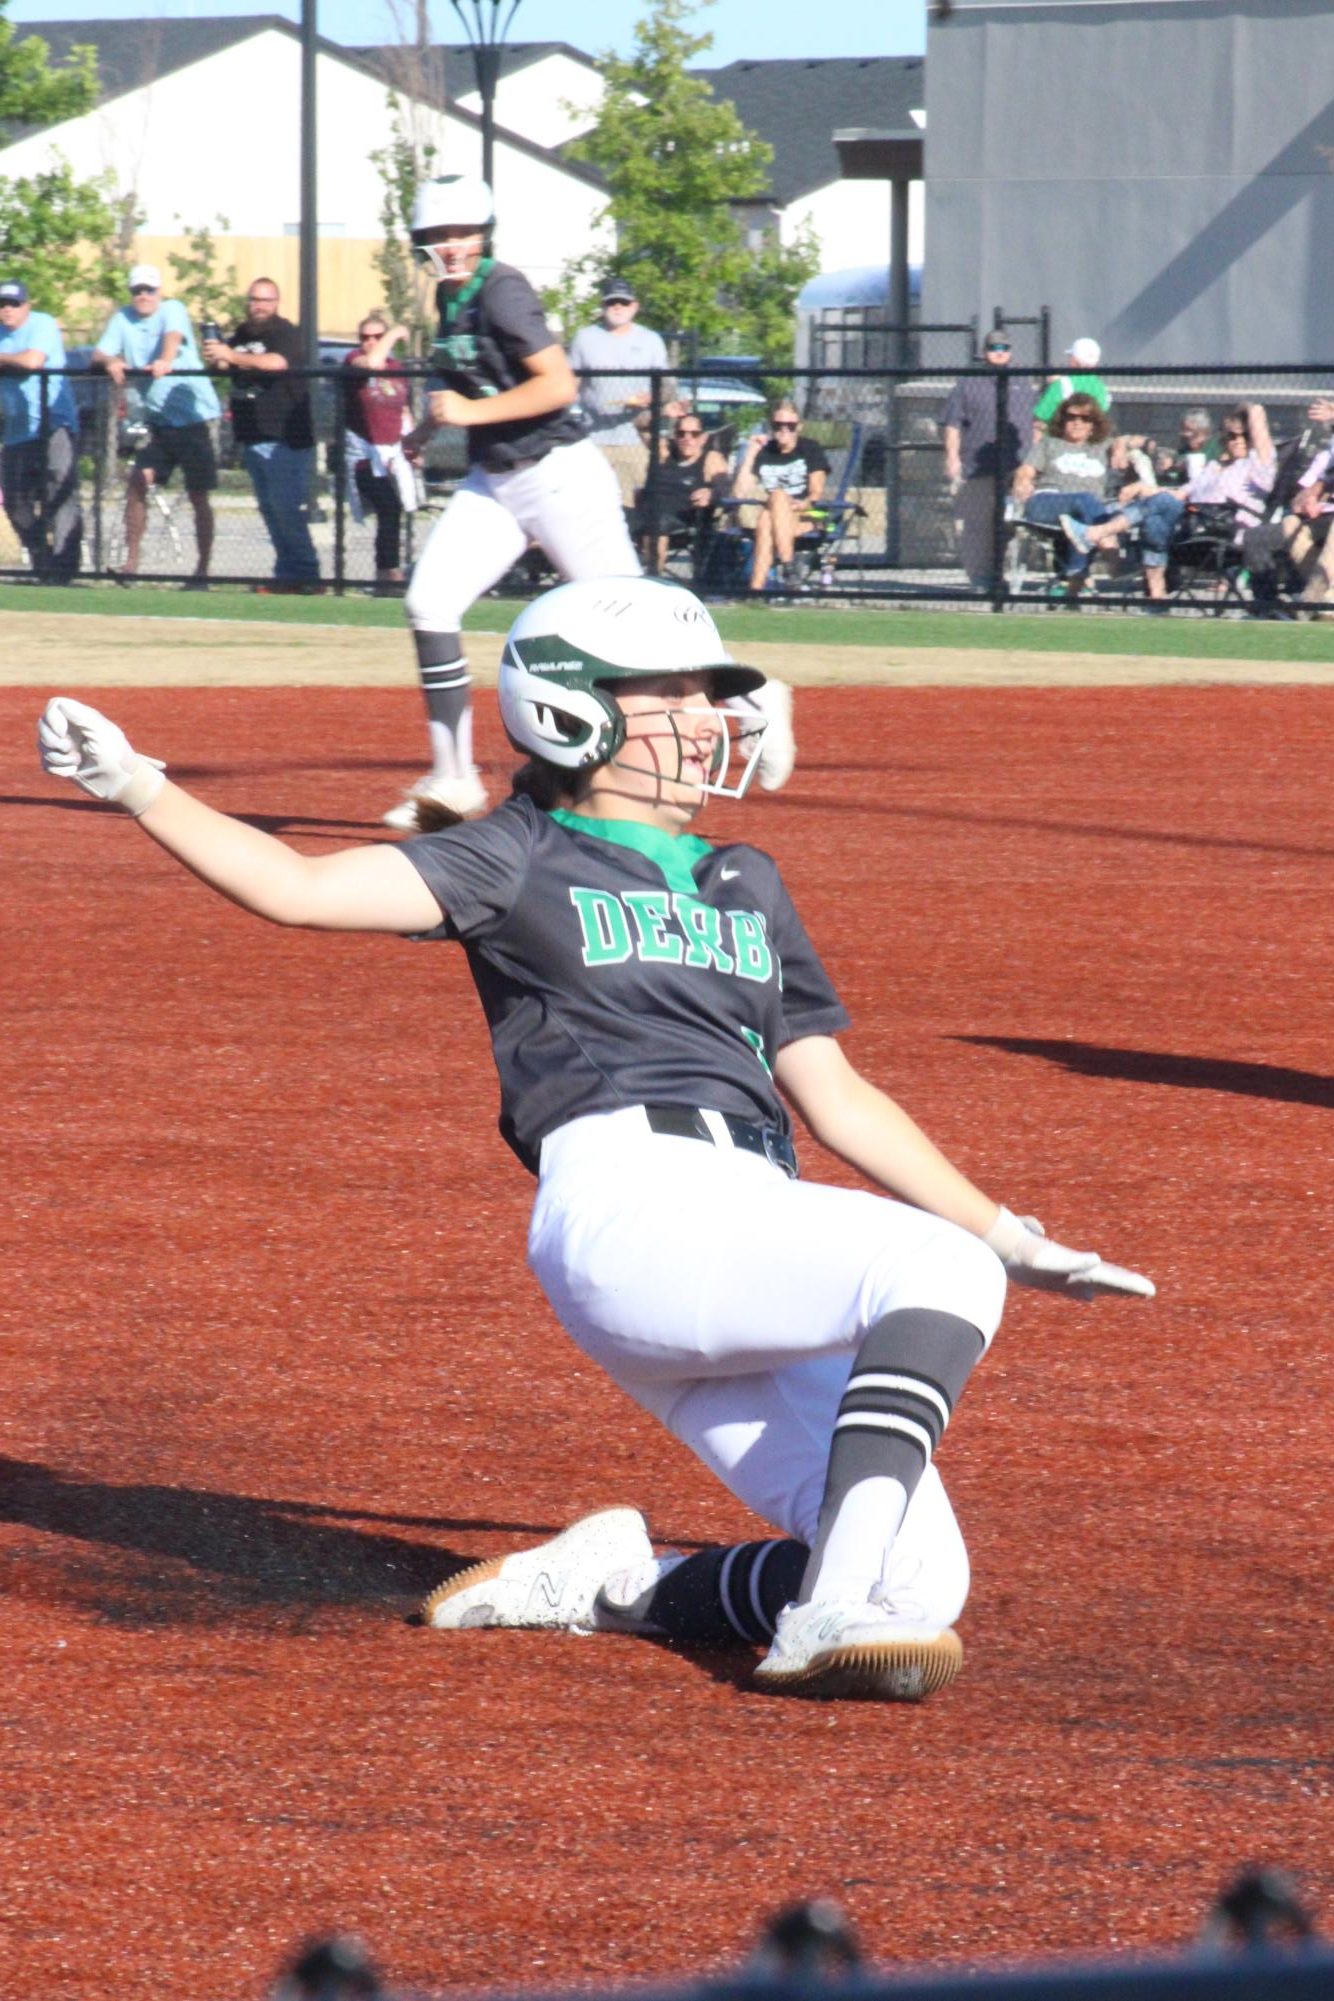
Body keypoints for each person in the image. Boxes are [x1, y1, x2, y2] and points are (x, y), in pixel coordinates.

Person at [36, 574, 1153, 1704]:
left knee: (925, 1589)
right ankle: (822, 1612)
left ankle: (618, 1584)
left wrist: (1009, 1237)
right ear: (571, 710)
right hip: (634, 1215)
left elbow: (837, 1095)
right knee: (927, 1270)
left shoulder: (742, 881)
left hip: (750, 1225)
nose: (708, 715)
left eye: (707, 690)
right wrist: (138, 786)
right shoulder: (518, 851)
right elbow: (297, 886)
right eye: (667, 692)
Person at [389, 172, 643, 831]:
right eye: (439, 234)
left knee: (635, 626)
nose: (452, 245)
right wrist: (424, 431)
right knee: (428, 602)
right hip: (497, 482)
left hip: (559, 474)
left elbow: (558, 386)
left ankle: (755, 703)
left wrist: (469, 411)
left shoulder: (502, 289)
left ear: (485, 233)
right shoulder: (449, 299)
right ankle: (453, 777)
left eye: (464, 231)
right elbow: (466, 391)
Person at [91, 262, 222, 588]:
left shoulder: (173, 309)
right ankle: (131, 566)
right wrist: (111, 361)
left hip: (195, 419)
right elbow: (98, 353)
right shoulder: (123, 318)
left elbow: (173, 337)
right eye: (138, 290)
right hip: (160, 423)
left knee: (198, 494)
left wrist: (165, 359)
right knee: (138, 480)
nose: (143, 296)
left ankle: (202, 572)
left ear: (159, 292)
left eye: (149, 290)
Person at [1067, 402, 1276, 602]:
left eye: (1245, 435)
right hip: (1192, 527)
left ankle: (1096, 533)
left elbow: (1257, 411)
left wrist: (1243, 411)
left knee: (1160, 510)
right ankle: (1157, 597)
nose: (1238, 440)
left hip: (1226, 531)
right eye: (1231, 436)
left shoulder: (1258, 466)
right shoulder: (1214, 467)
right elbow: (1181, 493)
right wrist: (1142, 488)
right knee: (1155, 519)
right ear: (1222, 438)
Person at [202, 279, 321, 594]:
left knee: (285, 507)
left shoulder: (285, 332)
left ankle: (307, 574)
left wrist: (233, 356)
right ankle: (287, 574)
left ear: (277, 302)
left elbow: (277, 363)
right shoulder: (241, 335)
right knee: (270, 509)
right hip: (253, 435)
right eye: (254, 299)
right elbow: (230, 364)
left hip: (285, 436)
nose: (260, 305)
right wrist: (218, 358)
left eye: (266, 300)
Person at [940, 331, 1039, 591]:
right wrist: (952, 458)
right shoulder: (968, 384)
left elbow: (1037, 424)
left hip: (1016, 467)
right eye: (994, 347)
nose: (999, 351)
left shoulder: (1022, 382)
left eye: (1004, 347)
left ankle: (999, 576)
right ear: (985, 351)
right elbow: (952, 425)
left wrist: (1034, 462)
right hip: (978, 467)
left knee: (1009, 526)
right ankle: (981, 580)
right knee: (977, 526)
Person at [0, 277, 83, 580]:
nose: (7, 310)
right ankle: (42, 561)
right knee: (15, 501)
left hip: (53, 424)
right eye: (3, 304)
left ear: (27, 305)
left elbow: (33, 361)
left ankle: (64, 571)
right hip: (17, 431)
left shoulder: (42, 324)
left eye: (14, 304)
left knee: (59, 493)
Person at [568, 276, 669, 508]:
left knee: (642, 505)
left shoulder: (651, 340)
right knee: (594, 504)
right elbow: (571, 383)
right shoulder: (585, 338)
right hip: (594, 437)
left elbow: (667, 386)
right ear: (603, 305)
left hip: (637, 439)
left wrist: (651, 397)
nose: (618, 307)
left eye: (623, 302)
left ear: (634, 306)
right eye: (612, 302)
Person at [1010, 393, 1120, 596]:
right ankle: (1111, 552)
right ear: (1063, 419)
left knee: (1083, 523)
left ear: (1094, 423)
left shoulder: (1103, 446)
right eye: (1071, 417)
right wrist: (1023, 481)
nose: (1077, 423)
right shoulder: (1049, 443)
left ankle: (1072, 581)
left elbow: (1140, 442)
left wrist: (1121, 445)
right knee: (1086, 500)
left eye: (1085, 418)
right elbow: (1026, 470)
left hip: (1086, 516)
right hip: (1045, 503)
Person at [340, 312, 416, 592]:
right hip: (363, 455)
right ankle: (389, 574)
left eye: (376, 336)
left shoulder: (396, 369)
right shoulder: (354, 362)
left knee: (396, 512)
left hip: (393, 453)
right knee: (389, 508)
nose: (370, 342)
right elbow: (371, 364)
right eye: (365, 337)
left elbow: (403, 409)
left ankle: (386, 575)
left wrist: (413, 443)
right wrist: (394, 333)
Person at [731, 400, 830, 594]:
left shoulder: (810, 448)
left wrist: (801, 505)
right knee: (769, 515)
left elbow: (816, 492)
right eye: (778, 425)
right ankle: (784, 572)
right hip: (776, 516)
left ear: (799, 426)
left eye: (790, 426)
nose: (784, 430)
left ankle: (760, 588)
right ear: (771, 427)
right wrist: (751, 454)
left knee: (774, 501)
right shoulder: (764, 452)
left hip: (809, 513)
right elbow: (738, 494)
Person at [628, 406, 730, 572]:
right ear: (675, 436)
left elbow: (725, 487)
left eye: (694, 434)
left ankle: (653, 580)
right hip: (644, 514)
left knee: (657, 522)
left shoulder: (710, 459)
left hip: (680, 519)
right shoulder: (664, 451)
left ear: (703, 438)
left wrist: (711, 494)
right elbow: (640, 424)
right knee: (604, 516)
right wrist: (661, 412)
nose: (687, 438)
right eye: (681, 433)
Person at [1277, 399, 1334, 615]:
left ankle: (1308, 604)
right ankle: (1327, 598)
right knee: (1290, 522)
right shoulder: (1327, 451)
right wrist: (1306, 498)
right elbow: (1307, 487)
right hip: (1325, 511)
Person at [1034, 337, 1112, 432]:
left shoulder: (1061, 384)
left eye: (1071, 356)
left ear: (1074, 360)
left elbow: (1040, 418)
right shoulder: (1101, 388)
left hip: (1059, 441)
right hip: (1091, 441)